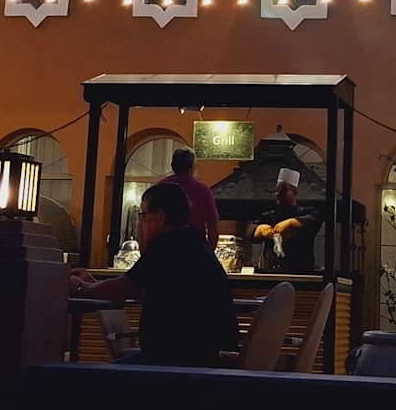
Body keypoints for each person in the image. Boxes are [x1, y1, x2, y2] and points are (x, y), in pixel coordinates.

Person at [69, 180, 237, 366]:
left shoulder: (167, 245)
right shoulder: (194, 243)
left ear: (160, 217)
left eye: (143, 215)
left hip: (178, 361)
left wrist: (82, 287)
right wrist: (94, 285)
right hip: (204, 357)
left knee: (84, 377)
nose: (139, 223)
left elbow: (125, 287)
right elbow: (141, 287)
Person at [254, 167, 323, 273]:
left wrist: (291, 223)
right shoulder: (269, 216)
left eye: (283, 191)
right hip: (272, 272)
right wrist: (260, 229)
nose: (278, 194)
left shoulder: (306, 212)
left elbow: (313, 222)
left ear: (295, 192)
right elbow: (251, 233)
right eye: (276, 191)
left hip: (300, 273)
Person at [155, 147, 219, 249]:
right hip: (194, 248)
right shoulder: (202, 190)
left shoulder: (159, 188)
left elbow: (150, 221)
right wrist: (209, 251)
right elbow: (212, 225)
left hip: (164, 247)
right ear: (192, 167)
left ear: (172, 166)